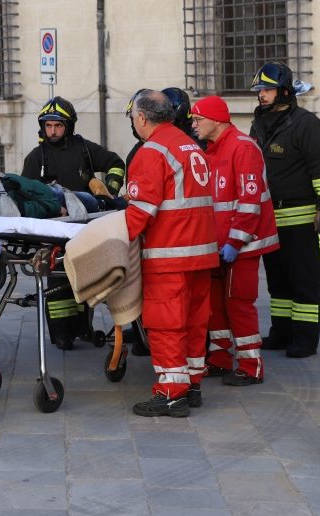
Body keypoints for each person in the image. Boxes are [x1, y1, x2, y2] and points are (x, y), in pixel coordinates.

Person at [124, 90, 218, 417]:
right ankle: (191, 385)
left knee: (166, 325)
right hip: (201, 253)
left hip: (169, 254)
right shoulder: (190, 145)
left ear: (142, 118)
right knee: (194, 323)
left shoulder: (151, 152)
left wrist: (115, 242)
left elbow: (140, 212)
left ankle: (171, 393)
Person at [21, 96, 126, 349]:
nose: (53, 131)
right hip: (53, 230)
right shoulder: (36, 158)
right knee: (58, 281)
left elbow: (115, 164)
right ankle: (61, 334)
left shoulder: (84, 149)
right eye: (48, 126)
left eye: (58, 126)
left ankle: (83, 329)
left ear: (68, 126)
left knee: (85, 276)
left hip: (84, 228)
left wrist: (108, 193)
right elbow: (26, 193)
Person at [191, 96, 279, 386]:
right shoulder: (213, 149)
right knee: (216, 304)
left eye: (198, 119)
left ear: (216, 120)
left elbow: (249, 202)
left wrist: (235, 242)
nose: (194, 125)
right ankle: (219, 359)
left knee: (238, 303)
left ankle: (251, 365)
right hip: (220, 245)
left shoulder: (242, 147)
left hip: (243, 245)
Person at [249, 62, 320, 358]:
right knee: (278, 281)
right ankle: (282, 332)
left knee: (303, 282)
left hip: (301, 219)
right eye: (260, 90)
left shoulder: (307, 125)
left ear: (285, 91)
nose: (262, 95)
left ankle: (305, 339)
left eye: (268, 89)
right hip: (270, 218)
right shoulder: (259, 123)